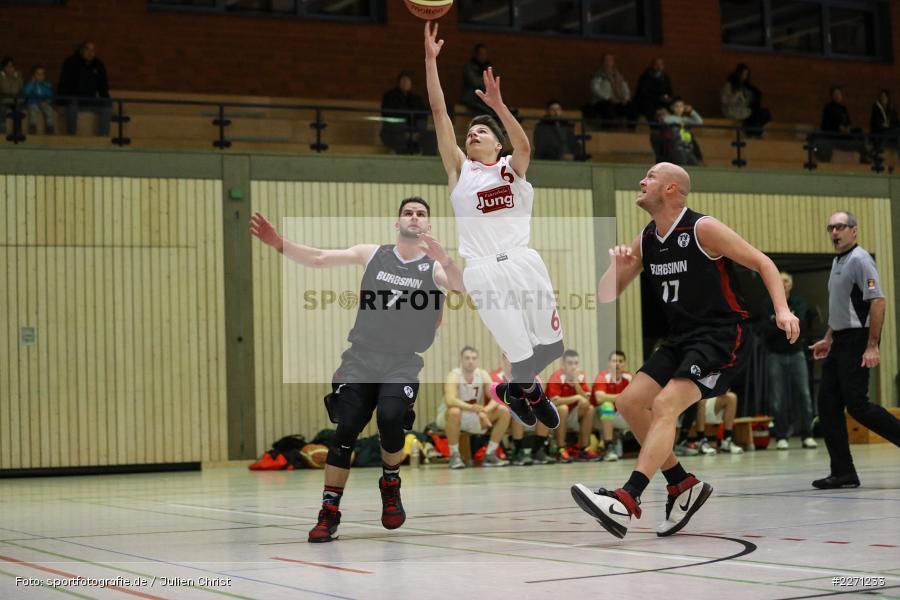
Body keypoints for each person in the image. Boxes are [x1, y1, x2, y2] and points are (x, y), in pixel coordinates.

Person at [571, 162, 799, 539]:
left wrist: (783, 309)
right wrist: (618, 267)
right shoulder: (645, 239)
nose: (641, 181)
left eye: (651, 177)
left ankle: (627, 499)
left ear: (672, 189)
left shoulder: (701, 228)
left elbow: (763, 262)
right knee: (629, 403)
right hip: (681, 338)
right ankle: (681, 483)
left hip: (722, 335)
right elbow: (607, 293)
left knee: (664, 406)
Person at [250, 198, 464, 543]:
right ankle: (329, 512)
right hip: (361, 359)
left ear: (428, 226)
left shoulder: (434, 268)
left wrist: (448, 260)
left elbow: (460, 286)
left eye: (421, 214)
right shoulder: (372, 254)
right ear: (397, 223)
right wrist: (279, 243)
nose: (414, 217)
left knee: (392, 418)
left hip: (402, 361)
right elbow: (319, 258)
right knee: (346, 427)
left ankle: (390, 481)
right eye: (408, 212)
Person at [424, 22, 564, 432]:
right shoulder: (460, 171)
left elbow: (525, 146)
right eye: (469, 132)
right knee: (519, 353)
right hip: (483, 269)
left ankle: (515, 390)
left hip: (523, 261)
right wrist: (430, 61)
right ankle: (527, 391)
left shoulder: (510, 167)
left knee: (551, 344)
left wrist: (500, 107)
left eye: (480, 131)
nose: (472, 134)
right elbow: (439, 112)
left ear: (496, 143)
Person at [808, 211, 900, 489]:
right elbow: (841, 308)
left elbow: (878, 302)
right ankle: (843, 472)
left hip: (858, 340)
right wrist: (828, 337)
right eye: (830, 227)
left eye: (840, 227)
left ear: (854, 231)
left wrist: (872, 345)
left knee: (858, 406)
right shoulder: (838, 261)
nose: (835, 232)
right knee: (827, 405)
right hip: (840, 341)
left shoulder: (861, 260)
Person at [764, 272, 817, 450]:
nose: (783, 283)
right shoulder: (768, 304)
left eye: (786, 281)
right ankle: (781, 436)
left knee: (804, 395)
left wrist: (776, 321)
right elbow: (764, 330)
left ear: (791, 285)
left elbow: (799, 325)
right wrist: (784, 320)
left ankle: (807, 435)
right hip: (775, 355)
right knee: (777, 398)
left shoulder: (799, 303)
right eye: (779, 280)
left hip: (796, 354)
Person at [438, 346, 511, 468]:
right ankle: (454, 455)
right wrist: (472, 408)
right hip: (450, 417)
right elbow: (450, 400)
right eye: (467, 358)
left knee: (504, 411)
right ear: (461, 359)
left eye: (473, 358)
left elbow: (496, 397)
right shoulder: (454, 375)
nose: (470, 361)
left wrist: (484, 410)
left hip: (474, 414)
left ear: (477, 360)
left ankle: (490, 454)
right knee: (454, 411)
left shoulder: (482, 374)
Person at [546, 350, 599, 462]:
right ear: (563, 365)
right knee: (563, 408)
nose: (573, 366)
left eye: (576, 363)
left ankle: (584, 449)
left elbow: (587, 399)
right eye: (570, 363)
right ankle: (560, 449)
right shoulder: (556, 377)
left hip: (572, 416)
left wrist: (576, 383)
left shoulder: (580, 377)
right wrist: (576, 398)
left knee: (590, 408)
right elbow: (554, 402)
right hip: (554, 418)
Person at [57, 41, 111, 136]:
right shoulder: (71, 62)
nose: (90, 52)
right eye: (88, 49)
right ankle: (71, 137)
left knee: (106, 108)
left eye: (93, 50)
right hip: (74, 99)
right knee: (72, 106)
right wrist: (60, 103)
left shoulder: (98, 65)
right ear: (81, 50)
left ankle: (103, 138)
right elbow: (63, 83)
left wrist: (107, 101)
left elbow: (103, 87)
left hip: (90, 100)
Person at [591, 350, 633, 462]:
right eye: (614, 361)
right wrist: (623, 396)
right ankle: (608, 447)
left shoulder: (629, 377)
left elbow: (636, 397)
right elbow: (600, 398)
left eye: (620, 361)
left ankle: (647, 446)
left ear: (624, 363)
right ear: (609, 363)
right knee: (607, 406)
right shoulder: (603, 376)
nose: (617, 364)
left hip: (619, 414)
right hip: (598, 417)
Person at [380, 70, 431, 155]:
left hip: (415, 134)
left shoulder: (416, 99)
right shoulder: (389, 97)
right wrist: (406, 132)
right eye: (403, 80)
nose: (405, 82)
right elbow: (388, 116)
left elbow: (423, 116)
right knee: (398, 139)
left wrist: (416, 132)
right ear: (399, 82)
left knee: (430, 137)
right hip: (395, 132)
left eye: (408, 80)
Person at [815, 86, 869, 163]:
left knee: (859, 131)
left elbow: (849, 122)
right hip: (834, 136)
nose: (837, 96)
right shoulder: (828, 108)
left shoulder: (843, 108)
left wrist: (847, 128)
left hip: (845, 135)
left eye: (839, 94)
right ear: (832, 96)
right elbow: (825, 125)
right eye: (835, 94)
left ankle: (865, 156)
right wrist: (839, 128)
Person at [720, 64, 771, 138]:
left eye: (746, 74)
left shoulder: (745, 87)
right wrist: (736, 95)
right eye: (742, 74)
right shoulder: (729, 86)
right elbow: (724, 101)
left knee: (764, 113)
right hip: (733, 111)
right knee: (756, 115)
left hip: (744, 110)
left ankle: (755, 132)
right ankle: (751, 132)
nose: (744, 77)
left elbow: (748, 99)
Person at [586, 53, 634, 129]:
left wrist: (625, 98)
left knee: (631, 107)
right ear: (602, 62)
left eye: (610, 60)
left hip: (618, 101)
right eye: (606, 60)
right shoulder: (598, 75)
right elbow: (595, 89)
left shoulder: (617, 75)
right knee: (607, 108)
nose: (608, 62)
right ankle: (610, 129)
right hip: (603, 102)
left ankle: (630, 130)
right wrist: (608, 98)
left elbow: (625, 88)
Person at [664, 98, 703, 166]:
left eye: (681, 106)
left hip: (688, 149)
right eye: (677, 106)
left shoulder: (686, 120)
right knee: (682, 165)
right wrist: (678, 122)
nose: (679, 108)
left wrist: (691, 111)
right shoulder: (670, 118)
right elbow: (666, 120)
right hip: (677, 148)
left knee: (695, 166)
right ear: (672, 108)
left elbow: (699, 122)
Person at [635, 58, 674, 122]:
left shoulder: (665, 77)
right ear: (652, 65)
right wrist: (658, 98)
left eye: (661, 64)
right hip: (648, 100)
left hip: (662, 100)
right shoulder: (645, 76)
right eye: (656, 64)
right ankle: (654, 128)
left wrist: (669, 97)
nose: (659, 67)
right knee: (649, 107)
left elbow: (669, 90)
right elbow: (643, 93)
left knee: (675, 105)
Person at [460, 43, 493, 117]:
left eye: (485, 54)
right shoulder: (469, 66)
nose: (483, 56)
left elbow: (492, 84)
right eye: (481, 54)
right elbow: (475, 82)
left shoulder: (488, 67)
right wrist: (486, 81)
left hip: (483, 98)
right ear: (476, 54)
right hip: (471, 98)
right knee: (488, 112)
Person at [22, 65, 55, 135]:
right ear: (33, 75)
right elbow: (26, 92)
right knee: (33, 110)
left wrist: (46, 102)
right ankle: (32, 127)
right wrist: (32, 82)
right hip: (33, 103)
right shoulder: (31, 84)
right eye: (38, 74)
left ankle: (50, 128)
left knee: (49, 110)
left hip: (43, 104)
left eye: (42, 74)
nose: (40, 76)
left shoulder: (46, 85)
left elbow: (50, 95)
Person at [0, 57, 23, 135]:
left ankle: (17, 131)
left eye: (12, 66)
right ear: (3, 68)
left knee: (18, 109)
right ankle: (2, 128)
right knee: (2, 108)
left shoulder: (17, 77)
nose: (10, 69)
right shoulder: (1, 77)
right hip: (3, 100)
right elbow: (5, 89)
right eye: (8, 67)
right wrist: (6, 78)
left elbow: (17, 90)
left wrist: (16, 78)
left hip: (14, 100)